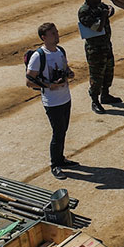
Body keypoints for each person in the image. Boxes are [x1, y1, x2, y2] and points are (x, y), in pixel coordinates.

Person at [25, 22, 76, 178]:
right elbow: (29, 81)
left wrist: (69, 74)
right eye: (53, 33)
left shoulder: (60, 51)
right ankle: (55, 164)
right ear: (44, 37)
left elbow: (66, 68)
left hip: (65, 97)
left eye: (57, 32)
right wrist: (49, 85)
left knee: (63, 130)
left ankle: (60, 159)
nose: (57, 35)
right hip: (52, 101)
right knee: (58, 132)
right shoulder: (38, 56)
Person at [78, 0, 121, 113]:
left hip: (106, 45)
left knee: (109, 71)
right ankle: (95, 100)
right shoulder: (84, 12)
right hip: (95, 49)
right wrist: (103, 16)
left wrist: (109, 11)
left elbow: (109, 8)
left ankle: (105, 94)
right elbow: (97, 28)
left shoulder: (99, 6)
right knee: (97, 76)